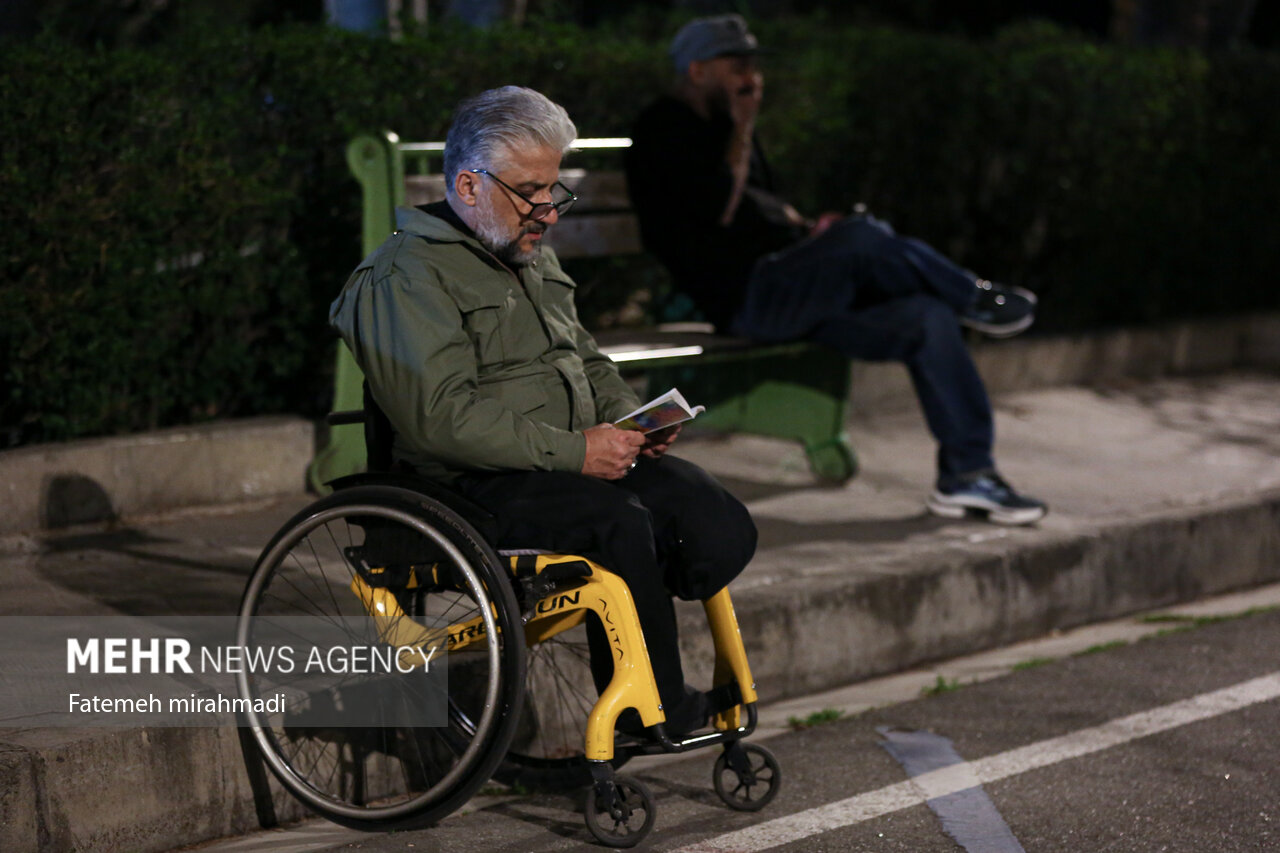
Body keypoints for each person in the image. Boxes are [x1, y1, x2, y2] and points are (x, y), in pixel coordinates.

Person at [329, 85, 756, 735]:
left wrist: (628, 421)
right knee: (620, 522)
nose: (549, 212)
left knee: (705, 510)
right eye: (532, 191)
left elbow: (584, 358)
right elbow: (440, 418)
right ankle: (654, 707)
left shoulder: (529, 256)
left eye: (554, 190)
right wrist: (578, 451)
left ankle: (645, 614)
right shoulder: (402, 277)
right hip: (467, 488)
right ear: (469, 188)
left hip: (563, 460)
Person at [626, 14, 1048, 526]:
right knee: (865, 239)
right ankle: (975, 298)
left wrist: (809, 232)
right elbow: (722, 211)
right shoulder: (663, 127)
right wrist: (742, 131)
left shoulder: (728, 126)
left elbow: (766, 210)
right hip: (749, 299)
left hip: (794, 288)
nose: (751, 78)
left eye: (755, 66)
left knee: (927, 317)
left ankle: (968, 476)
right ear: (697, 70)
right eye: (737, 66)